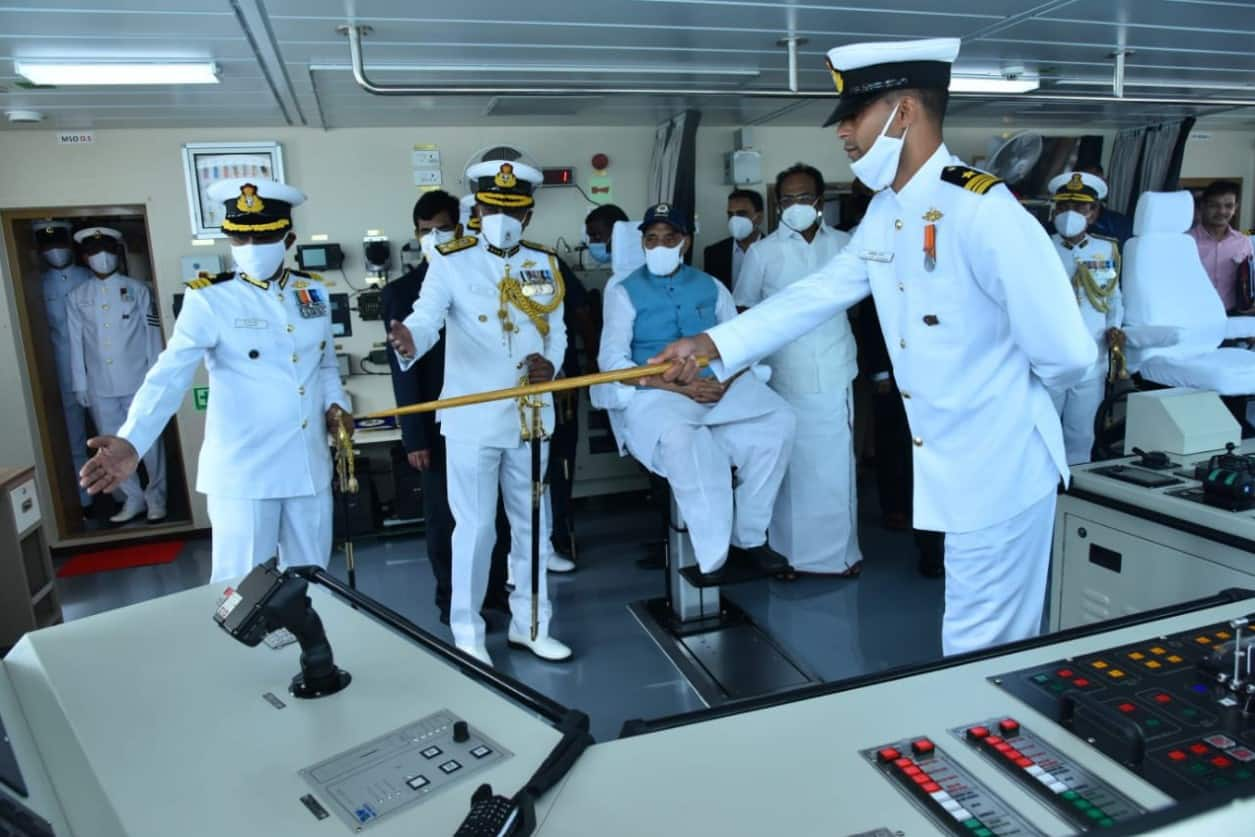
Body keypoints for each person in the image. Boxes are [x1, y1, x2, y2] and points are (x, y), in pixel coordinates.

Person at [650, 37, 1094, 655]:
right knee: (970, 636)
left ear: (904, 112)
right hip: (951, 463)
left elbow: (1069, 354)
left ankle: (983, 742)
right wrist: (709, 343)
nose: (843, 134)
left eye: (854, 116)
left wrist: (998, 405)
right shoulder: (889, 213)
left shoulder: (982, 210)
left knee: (983, 643)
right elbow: (814, 295)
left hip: (1002, 462)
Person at [78, 179, 353, 582]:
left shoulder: (311, 293)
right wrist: (133, 438)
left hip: (307, 467)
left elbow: (325, 364)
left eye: (262, 237)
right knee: (241, 589)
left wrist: (337, 403)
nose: (250, 247)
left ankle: (310, 647)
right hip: (244, 472)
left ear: (289, 238)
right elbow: (168, 376)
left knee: (313, 583)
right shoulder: (210, 299)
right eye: (239, 238)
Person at [388, 160, 572, 666]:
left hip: (533, 416)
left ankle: (531, 626)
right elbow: (425, 320)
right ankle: (467, 632)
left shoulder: (545, 263)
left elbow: (556, 328)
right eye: (491, 207)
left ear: (528, 215)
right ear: (476, 209)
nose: (500, 217)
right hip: (473, 418)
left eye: (511, 209)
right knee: (475, 528)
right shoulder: (451, 260)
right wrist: (408, 341)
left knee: (534, 524)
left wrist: (550, 363)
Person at [599, 202, 795, 583]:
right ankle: (714, 554)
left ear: (684, 243)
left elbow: (740, 343)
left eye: (668, 239)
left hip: (717, 384)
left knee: (780, 420)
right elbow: (612, 361)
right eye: (651, 239)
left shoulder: (711, 286)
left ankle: (749, 538)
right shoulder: (623, 291)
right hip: (656, 389)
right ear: (642, 244)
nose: (659, 246)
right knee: (681, 440)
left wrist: (724, 380)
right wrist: (675, 386)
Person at [383, 189, 514, 625]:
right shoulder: (403, 292)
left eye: (443, 228)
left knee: (495, 515)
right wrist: (414, 435)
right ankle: (452, 599)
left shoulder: (486, 275)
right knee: (446, 519)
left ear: (463, 227)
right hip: (437, 427)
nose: (434, 237)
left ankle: (495, 594)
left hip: (491, 415)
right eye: (425, 231)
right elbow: (405, 372)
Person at [735, 164, 861, 577]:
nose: (795, 206)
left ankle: (840, 557)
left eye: (803, 198)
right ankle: (787, 556)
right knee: (788, 472)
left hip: (834, 373)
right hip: (783, 377)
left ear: (820, 202)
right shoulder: (762, 252)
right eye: (786, 199)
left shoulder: (845, 245)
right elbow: (744, 312)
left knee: (835, 471)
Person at [67, 227, 167, 524]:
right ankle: (132, 499)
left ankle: (156, 497)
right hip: (100, 384)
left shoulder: (137, 289)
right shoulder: (77, 296)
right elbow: (75, 343)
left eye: (108, 250)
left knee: (148, 442)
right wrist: (80, 383)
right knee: (110, 446)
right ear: (85, 257)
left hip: (138, 379)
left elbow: (152, 336)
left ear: (117, 252)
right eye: (95, 252)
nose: (102, 257)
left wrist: (157, 376)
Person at [857, 298, 946, 578]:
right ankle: (897, 509)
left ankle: (935, 545)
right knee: (893, 442)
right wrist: (880, 372)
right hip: (896, 369)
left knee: (937, 460)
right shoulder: (891, 259)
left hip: (943, 374)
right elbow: (873, 321)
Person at [1046, 171, 1124, 466]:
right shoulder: (1040, 246)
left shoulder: (1105, 249)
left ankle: (1075, 486)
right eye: (1064, 206)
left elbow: (1113, 297)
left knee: (1082, 432)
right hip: (1050, 352)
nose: (1070, 214)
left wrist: (1115, 326)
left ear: (1094, 213)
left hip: (1093, 352)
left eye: (1080, 208)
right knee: (1044, 426)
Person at [34, 220, 94, 511]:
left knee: (112, 431)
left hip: (99, 367)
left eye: (59, 243)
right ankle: (86, 500)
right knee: (74, 438)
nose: (54, 250)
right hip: (63, 370)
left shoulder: (89, 276)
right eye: (48, 245)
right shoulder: (39, 284)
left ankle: (124, 495)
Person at [1189, 180, 1254, 314]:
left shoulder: (1243, 241)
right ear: (1202, 206)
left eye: (1229, 206)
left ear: (1236, 208)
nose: (1222, 211)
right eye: (1214, 205)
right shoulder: (1186, 242)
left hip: (1233, 314)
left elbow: (1250, 278)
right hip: (1194, 315)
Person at [703, 189, 764, 292]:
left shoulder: (776, 251)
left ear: (759, 217)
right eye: (730, 214)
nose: (734, 220)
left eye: (741, 213)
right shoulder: (713, 253)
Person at [1078, 163, 1133, 248]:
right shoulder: (1061, 223)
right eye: (1084, 183)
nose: (1089, 189)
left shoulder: (1122, 225)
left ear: (1105, 184)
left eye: (1095, 182)